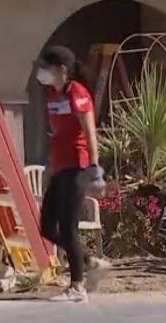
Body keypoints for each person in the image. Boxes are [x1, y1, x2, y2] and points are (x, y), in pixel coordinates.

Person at [35, 45, 109, 302]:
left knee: (68, 227)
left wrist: (95, 167)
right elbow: (55, 134)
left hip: (77, 166)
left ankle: (77, 287)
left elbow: (89, 130)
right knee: (46, 226)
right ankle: (89, 262)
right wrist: (50, 166)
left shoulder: (77, 93)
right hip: (59, 167)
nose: (41, 72)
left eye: (46, 67)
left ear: (61, 70)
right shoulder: (52, 96)